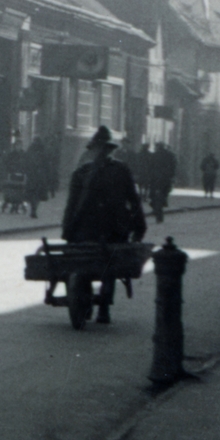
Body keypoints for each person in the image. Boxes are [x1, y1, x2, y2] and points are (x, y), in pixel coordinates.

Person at [62, 125, 147, 325]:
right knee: (109, 262)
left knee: (90, 260)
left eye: (100, 149)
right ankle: (102, 307)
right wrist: (139, 227)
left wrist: (67, 231)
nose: (100, 152)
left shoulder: (83, 172)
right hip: (110, 231)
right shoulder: (119, 170)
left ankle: (95, 305)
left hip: (91, 231)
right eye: (101, 149)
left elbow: (71, 206)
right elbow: (134, 201)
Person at [23, 135, 53, 220]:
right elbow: (47, 165)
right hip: (40, 176)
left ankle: (33, 209)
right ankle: (34, 209)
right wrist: (48, 176)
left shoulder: (30, 150)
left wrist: (26, 172)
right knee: (38, 194)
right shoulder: (43, 151)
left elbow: (26, 162)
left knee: (32, 193)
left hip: (32, 176)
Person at [148, 141, 178, 223]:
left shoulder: (154, 155)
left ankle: (156, 208)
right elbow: (174, 167)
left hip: (156, 179)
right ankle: (161, 205)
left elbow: (150, 167)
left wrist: (150, 176)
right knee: (163, 194)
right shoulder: (170, 155)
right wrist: (172, 177)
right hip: (166, 179)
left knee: (154, 195)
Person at [1, 134, 28, 214]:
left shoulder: (24, 154)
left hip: (21, 175)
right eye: (17, 145)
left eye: (19, 145)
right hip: (13, 174)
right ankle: (14, 204)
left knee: (20, 190)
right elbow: (8, 164)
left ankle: (17, 205)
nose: (18, 147)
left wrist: (25, 172)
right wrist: (10, 171)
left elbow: (26, 164)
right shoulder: (11, 155)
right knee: (12, 190)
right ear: (15, 146)